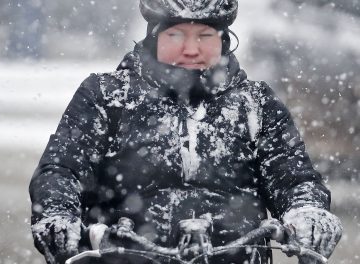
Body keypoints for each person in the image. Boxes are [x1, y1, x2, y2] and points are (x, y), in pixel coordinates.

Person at [29, 1, 343, 263]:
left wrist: (307, 210)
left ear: (223, 40)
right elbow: (62, 170)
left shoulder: (256, 103)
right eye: (176, 34)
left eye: (205, 35)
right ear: (154, 38)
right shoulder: (106, 96)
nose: (191, 49)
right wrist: (59, 212)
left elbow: (294, 177)